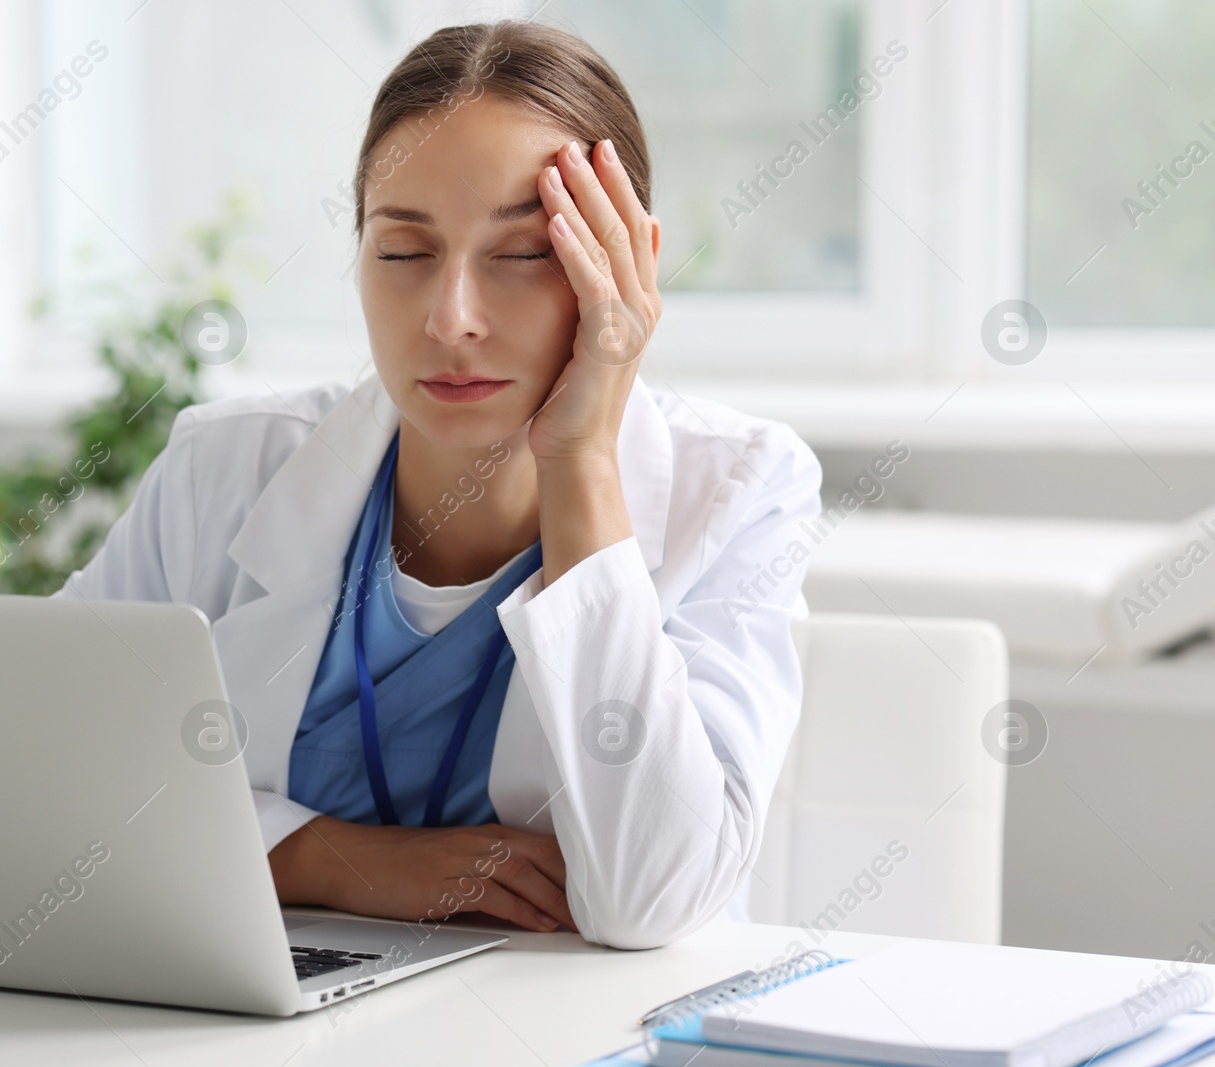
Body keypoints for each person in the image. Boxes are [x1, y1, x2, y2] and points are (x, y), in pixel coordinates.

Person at [54, 19, 822, 951]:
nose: (452, 318)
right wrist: (328, 857)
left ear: (627, 269)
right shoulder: (225, 466)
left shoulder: (742, 490)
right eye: (404, 252)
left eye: (527, 253)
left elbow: (652, 898)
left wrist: (579, 457)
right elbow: (45, 774)